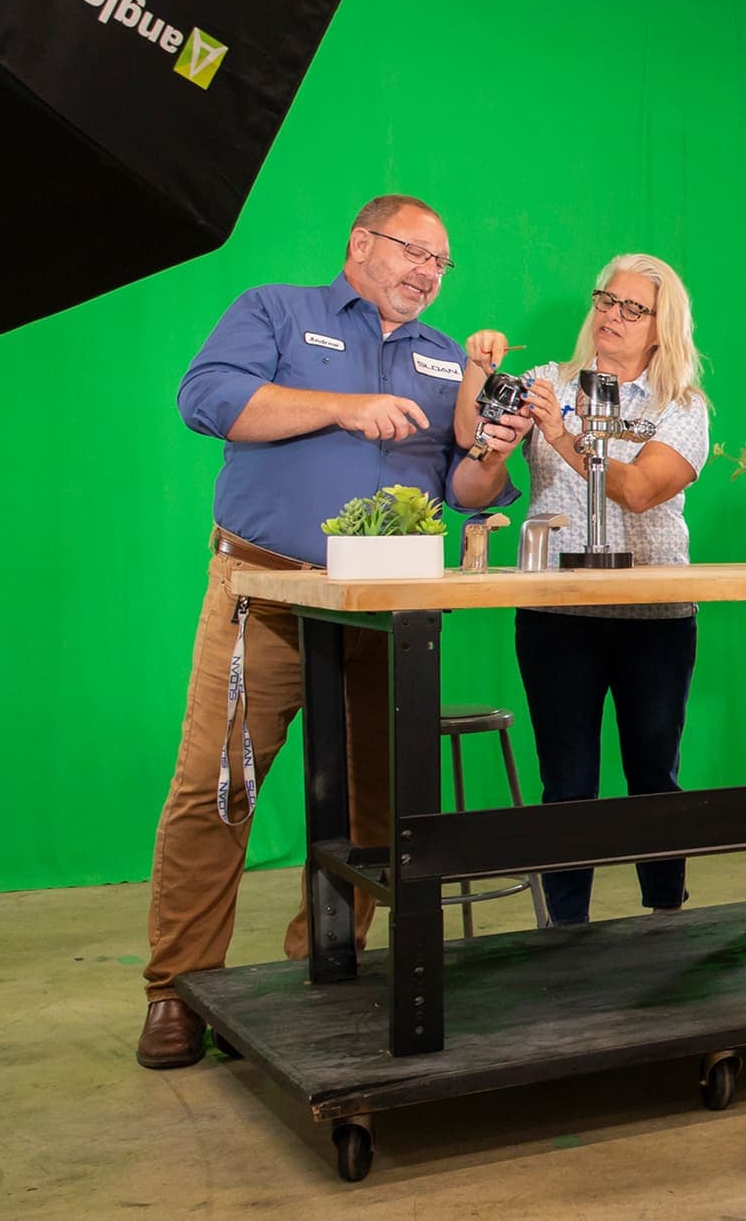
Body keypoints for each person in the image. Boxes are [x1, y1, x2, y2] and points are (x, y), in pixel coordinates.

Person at [137, 195, 529, 1069]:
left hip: (383, 612)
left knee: (375, 808)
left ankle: (323, 961)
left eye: (441, 263)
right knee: (217, 788)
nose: (429, 274)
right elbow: (207, 401)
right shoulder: (277, 310)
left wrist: (493, 453)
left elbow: (467, 488)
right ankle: (176, 990)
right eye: (414, 253)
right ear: (361, 244)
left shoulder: (442, 360)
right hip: (268, 595)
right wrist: (343, 407)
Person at [458, 254, 708, 926]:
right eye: (606, 300)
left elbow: (638, 490)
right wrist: (480, 385)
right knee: (566, 781)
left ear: (663, 327)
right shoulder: (545, 381)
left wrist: (562, 436)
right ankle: (563, 930)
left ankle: (665, 915)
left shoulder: (680, 407)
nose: (612, 316)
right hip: (556, 614)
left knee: (653, 775)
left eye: (633, 309)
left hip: (652, 615)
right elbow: (472, 462)